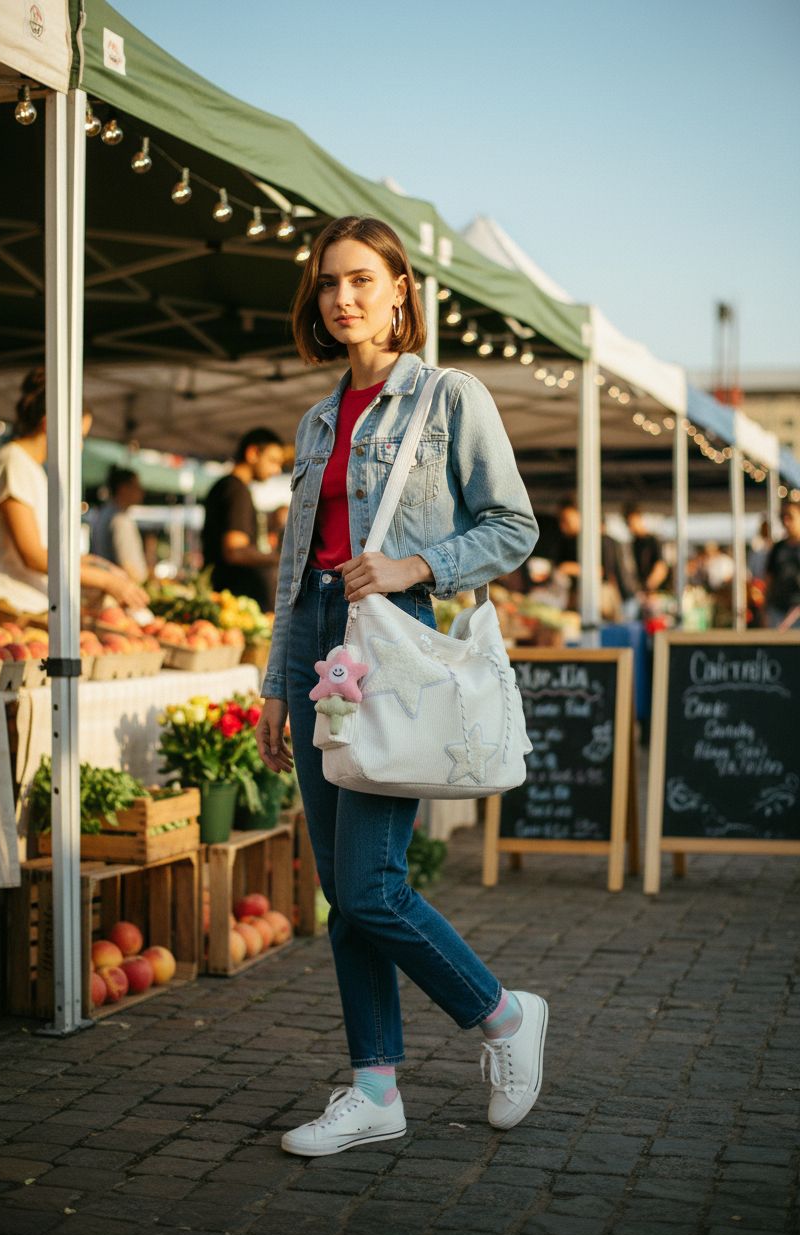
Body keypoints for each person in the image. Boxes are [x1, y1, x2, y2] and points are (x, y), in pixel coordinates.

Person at [255, 216, 545, 1158]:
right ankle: (375, 1087)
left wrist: (416, 566)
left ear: (401, 290)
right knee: (344, 887)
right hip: (313, 654)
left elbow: (513, 525)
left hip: (396, 655)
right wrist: (272, 685)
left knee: (375, 888)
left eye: (363, 280)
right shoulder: (318, 418)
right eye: (330, 282)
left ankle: (501, 1015)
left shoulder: (449, 397)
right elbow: (295, 565)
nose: (344, 297)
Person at [0, 367, 147, 614]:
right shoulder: (12, 463)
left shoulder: (29, 468)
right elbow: (33, 556)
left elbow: (44, 551)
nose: (80, 446)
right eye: (79, 435)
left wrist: (96, 565)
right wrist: (106, 581)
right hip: (3, 605)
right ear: (49, 425)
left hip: (23, 606)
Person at [201, 428, 285, 609]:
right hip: (233, 602)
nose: (277, 470)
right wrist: (280, 559)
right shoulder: (236, 490)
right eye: (273, 461)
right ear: (253, 453)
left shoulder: (224, 486)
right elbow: (235, 551)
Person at [90, 467, 146, 583]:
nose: (141, 491)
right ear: (123, 489)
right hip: (120, 590)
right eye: (136, 486)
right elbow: (127, 565)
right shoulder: (120, 519)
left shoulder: (102, 513)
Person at [765, 501, 800, 629]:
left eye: (790, 516)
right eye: (783, 517)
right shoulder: (778, 548)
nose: (786, 522)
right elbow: (769, 578)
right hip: (778, 610)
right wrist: (766, 609)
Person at [623, 503, 669, 598]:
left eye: (631, 522)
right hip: (642, 593)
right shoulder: (633, 543)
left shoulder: (653, 540)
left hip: (657, 593)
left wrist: (649, 586)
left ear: (639, 518)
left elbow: (661, 568)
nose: (630, 527)